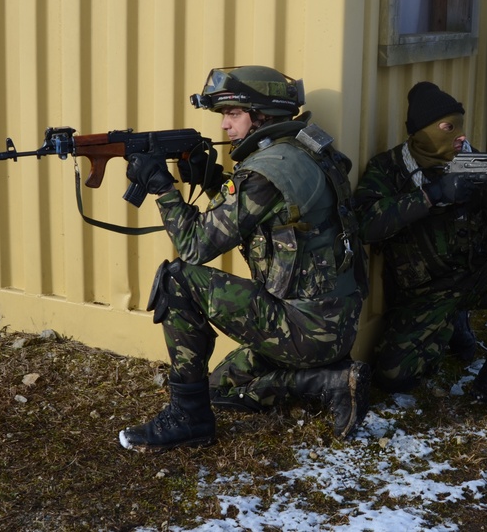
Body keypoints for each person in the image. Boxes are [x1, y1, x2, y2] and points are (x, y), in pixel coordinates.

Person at [118, 65, 369, 452]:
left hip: (306, 329)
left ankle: (189, 419)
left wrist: (162, 187)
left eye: (233, 114)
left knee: (178, 279)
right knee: (220, 387)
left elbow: (194, 246)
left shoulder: (266, 174)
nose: (225, 126)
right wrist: (214, 182)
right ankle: (327, 381)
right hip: (332, 322)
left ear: (262, 116)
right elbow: (270, 221)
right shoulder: (303, 152)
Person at [354, 82, 487, 416]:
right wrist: (432, 195)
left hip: (474, 276)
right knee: (394, 378)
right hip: (423, 293)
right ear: (422, 132)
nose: (460, 137)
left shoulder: (481, 164)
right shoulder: (389, 169)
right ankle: (451, 323)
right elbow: (365, 224)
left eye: (460, 127)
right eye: (448, 128)